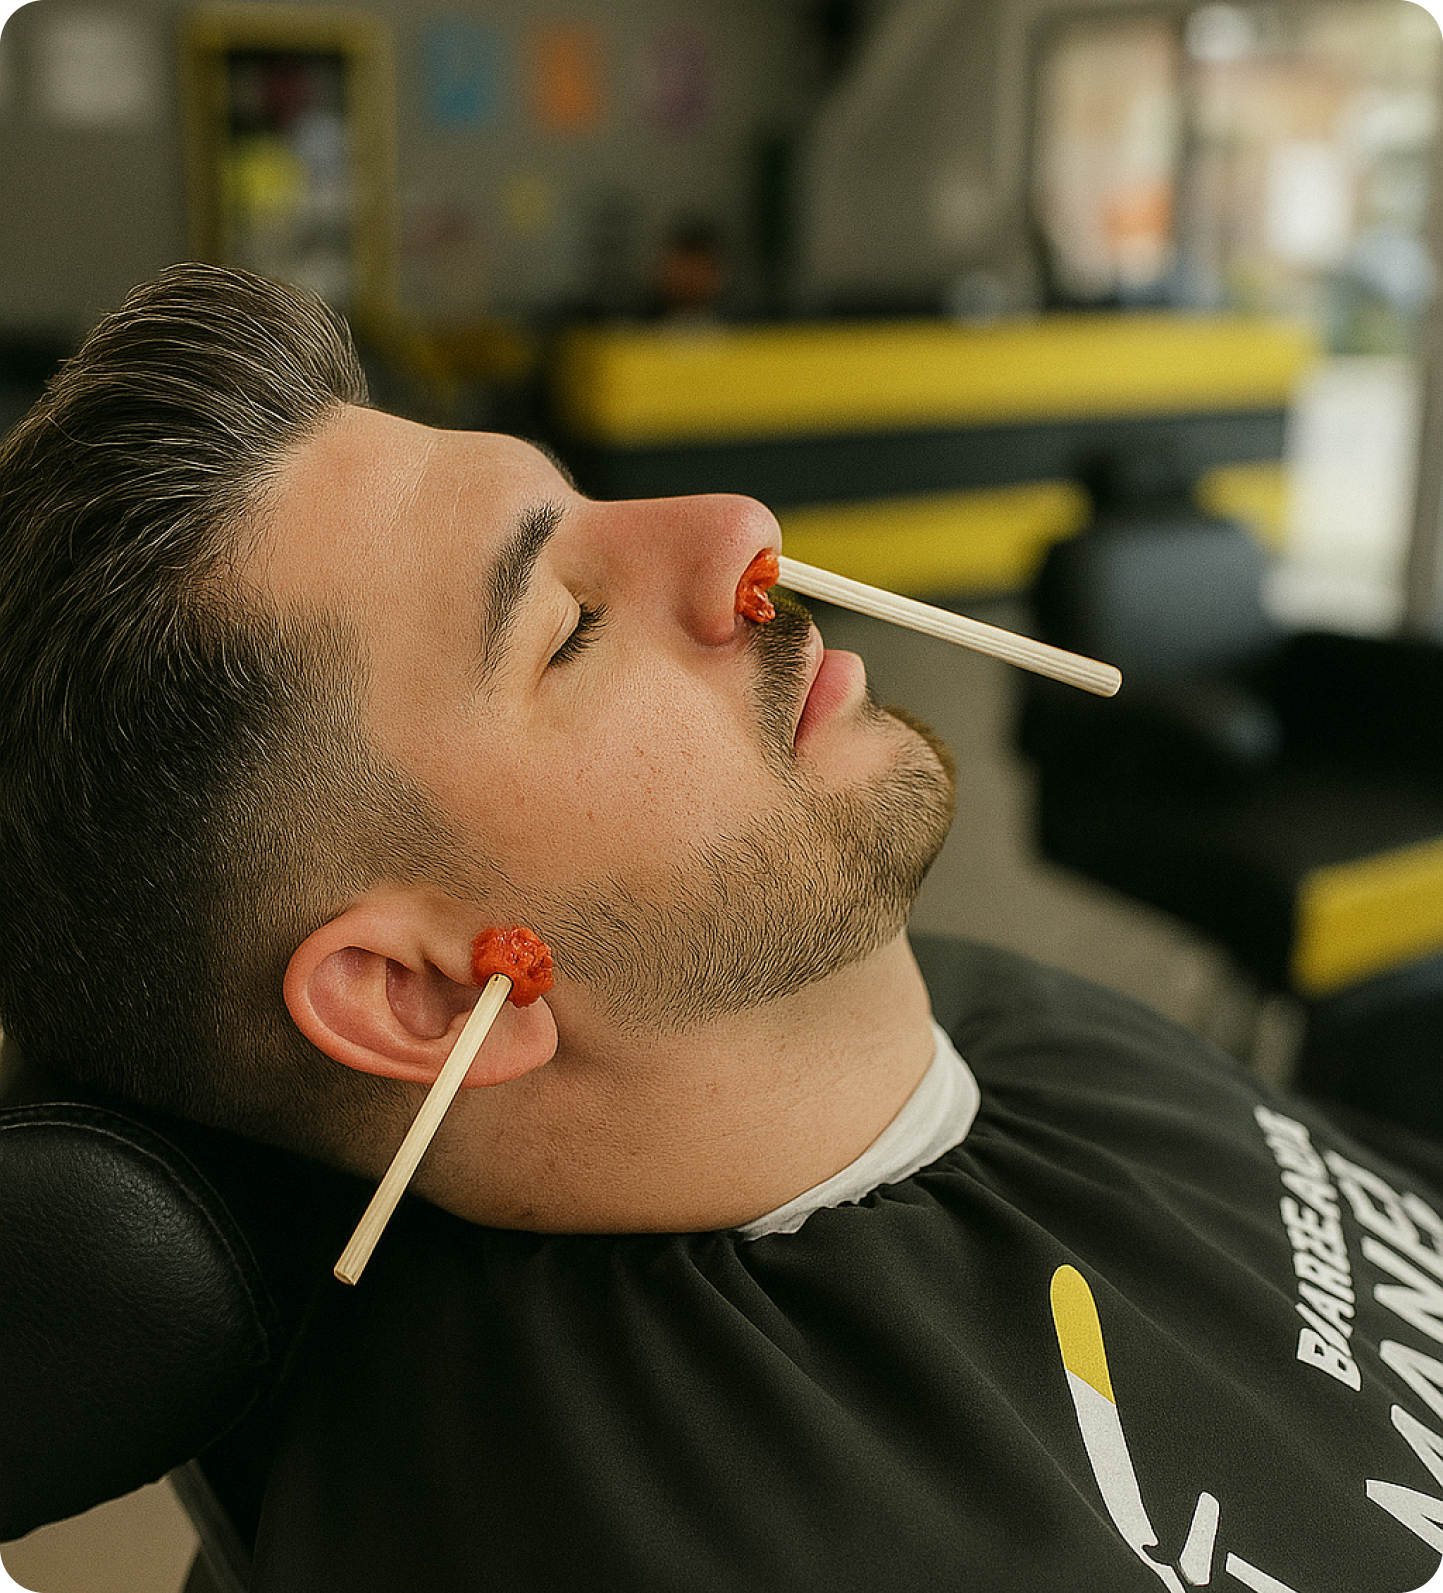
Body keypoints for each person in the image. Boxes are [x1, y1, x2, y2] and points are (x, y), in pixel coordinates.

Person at [1, 264, 1442, 1592]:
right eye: (567, 624)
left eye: (583, 504)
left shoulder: (970, 1006)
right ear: (426, 994)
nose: (739, 527)